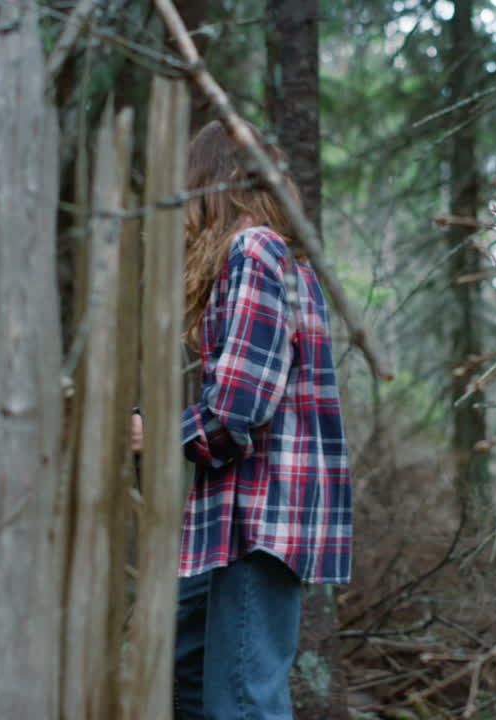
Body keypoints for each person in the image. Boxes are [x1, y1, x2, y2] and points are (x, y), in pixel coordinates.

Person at [136, 119, 351, 720]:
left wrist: (157, 435)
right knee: (191, 669)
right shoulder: (273, 258)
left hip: (260, 518)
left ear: (214, 184)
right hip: (234, 520)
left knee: (243, 702)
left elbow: (239, 409)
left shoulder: (255, 251)